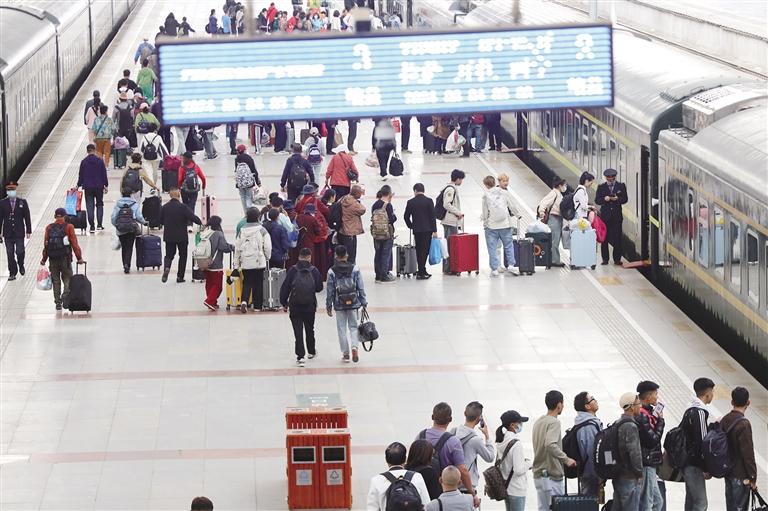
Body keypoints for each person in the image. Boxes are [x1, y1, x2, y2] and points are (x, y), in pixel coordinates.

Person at [417, 403, 480, 508]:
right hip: (441, 490)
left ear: (432, 417)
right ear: (450, 419)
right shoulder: (453, 441)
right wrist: (472, 493)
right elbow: (463, 470)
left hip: (422, 488)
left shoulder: (421, 436)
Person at [531, 390, 577, 511]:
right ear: (559, 405)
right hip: (551, 476)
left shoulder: (538, 422)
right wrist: (566, 459)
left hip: (539, 475)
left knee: (543, 508)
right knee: (556, 508)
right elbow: (550, 444)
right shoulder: (554, 422)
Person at [280, 247, 323, 367]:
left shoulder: (292, 270)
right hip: (310, 306)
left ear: (299, 257)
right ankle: (311, 351)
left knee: (297, 331)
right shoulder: (314, 270)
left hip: (295, 306)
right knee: (310, 328)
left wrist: (284, 303)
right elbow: (319, 288)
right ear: (309, 257)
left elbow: (285, 287)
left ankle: (300, 356)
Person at [326, 245, 366, 363]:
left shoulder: (331, 271)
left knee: (341, 328)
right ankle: (354, 347)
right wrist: (363, 301)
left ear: (336, 256)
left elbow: (330, 290)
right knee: (353, 326)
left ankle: (345, 353)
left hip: (339, 303)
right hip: (353, 302)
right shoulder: (355, 269)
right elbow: (360, 287)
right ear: (346, 255)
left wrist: (329, 305)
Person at [681, 377, 715, 511]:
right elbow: (702, 442)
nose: (713, 395)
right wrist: (706, 467)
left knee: (691, 501)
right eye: (712, 392)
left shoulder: (689, 409)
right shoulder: (700, 412)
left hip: (686, 462)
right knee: (701, 503)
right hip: (694, 465)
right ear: (707, 393)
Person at [366, 442, 430, 511]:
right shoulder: (417, 477)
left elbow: (372, 508)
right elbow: (426, 504)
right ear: (405, 459)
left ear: (386, 460)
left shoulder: (377, 480)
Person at [722, 386, 757, 511]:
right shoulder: (744, 424)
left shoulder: (725, 419)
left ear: (732, 402)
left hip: (728, 472)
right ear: (748, 402)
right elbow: (748, 454)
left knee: (730, 507)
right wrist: (752, 477)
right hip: (741, 475)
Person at [41, 208, 84, 310]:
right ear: (65, 216)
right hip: (65, 258)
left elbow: (46, 246)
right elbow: (74, 244)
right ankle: (65, 295)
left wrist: (43, 259)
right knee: (67, 278)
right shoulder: (69, 227)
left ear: (55, 216)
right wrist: (79, 258)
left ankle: (58, 303)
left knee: (56, 280)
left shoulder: (49, 227)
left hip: (53, 258)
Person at [450, 401, 495, 495]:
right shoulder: (476, 440)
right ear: (479, 419)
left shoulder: (453, 432)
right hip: (467, 487)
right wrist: (487, 436)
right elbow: (490, 457)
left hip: (451, 483)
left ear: (464, 413)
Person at [160, 188, 202, 283]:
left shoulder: (165, 207)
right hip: (182, 236)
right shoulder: (183, 207)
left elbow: (160, 221)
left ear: (170, 196)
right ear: (179, 196)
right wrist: (200, 222)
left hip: (169, 236)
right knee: (183, 256)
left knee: (169, 255)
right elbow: (193, 217)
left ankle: (167, 267)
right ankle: (180, 277)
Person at [234, 208, 271, 313]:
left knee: (247, 282)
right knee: (258, 283)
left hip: (246, 261)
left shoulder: (242, 231)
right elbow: (268, 246)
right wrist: (267, 257)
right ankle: (257, 306)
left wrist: (237, 264)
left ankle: (244, 301)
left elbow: (237, 248)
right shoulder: (262, 230)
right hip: (258, 261)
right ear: (258, 217)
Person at [481, 175, 519, 276]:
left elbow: (485, 212)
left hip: (491, 227)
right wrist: (518, 215)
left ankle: (494, 269)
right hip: (505, 225)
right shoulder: (504, 193)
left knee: (492, 248)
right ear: (495, 182)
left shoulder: (485, 195)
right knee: (508, 245)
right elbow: (512, 206)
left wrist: (485, 222)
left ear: (486, 185)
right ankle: (511, 265)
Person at [636, 381, 665, 511]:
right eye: (655, 394)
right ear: (648, 397)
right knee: (647, 502)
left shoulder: (647, 412)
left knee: (657, 502)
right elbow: (652, 440)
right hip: (646, 463)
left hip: (650, 462)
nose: (657, 397)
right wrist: (661, 421)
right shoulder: (642, 415)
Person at [495, 410, 532, 511]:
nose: (521, 424)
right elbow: (518, 470)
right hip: (516, 489)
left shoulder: (501, 440)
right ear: (512, 425)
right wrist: (528, 464)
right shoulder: (516, 444)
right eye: (519, 422)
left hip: (506, 488)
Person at [613, 392, 644, 511]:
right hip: (629, 476)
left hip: (618, 474)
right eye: (638, 404)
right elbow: (635, 453)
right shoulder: (630, 426)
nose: (640, 406)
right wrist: (639, 473)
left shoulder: (618, 422)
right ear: (631, 407)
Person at [403, 183, 438, 280]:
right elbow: (432, 216)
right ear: (423, 190)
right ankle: (421, 271)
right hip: (427, 230)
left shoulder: (411, 202)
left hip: (417, 230)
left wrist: (411, 226)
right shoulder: (429, 201)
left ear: (415, 191)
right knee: (425, 250)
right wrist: (434, 230)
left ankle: (422, 269)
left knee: (419, 250)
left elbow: (406, 217)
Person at [572, 391, 603, 497]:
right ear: (587, 406)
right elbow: (591, 452)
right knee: (589, 501)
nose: (596, 400)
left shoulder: (589, 422)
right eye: (592, 399)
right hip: (590, 474)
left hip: (589, 473)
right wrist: (598, 475)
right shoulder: (588, 426)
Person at [200, 216, 234, 310]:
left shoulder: (206, 232)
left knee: (209, 284)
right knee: (217, 285)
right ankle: (209, 301)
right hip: (215, 264)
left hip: (204, 262)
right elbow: (224, 247)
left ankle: (212, 302)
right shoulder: (218, 234)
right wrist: (231, 247)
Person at [595, 168, 628, 265]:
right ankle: (605, 259)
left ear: (615, 177)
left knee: (617, 238)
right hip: (605, 217)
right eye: (608, 178)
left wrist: (617, 199)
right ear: (606, 178)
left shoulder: (621, 186)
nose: (610, 180)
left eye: (612, 178)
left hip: (617, 217)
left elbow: (625, 199)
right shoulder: (601, 187)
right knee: (604, 238)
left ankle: (617, 259)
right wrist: (604, 199)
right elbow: (597, 200)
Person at [0, 182, 32, 280]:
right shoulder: (2, 203)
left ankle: (21, 264)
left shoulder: (22, 202)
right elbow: (0, 219)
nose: (11, 192)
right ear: (7, 191)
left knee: (20, 251)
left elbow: (27, 216)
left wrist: (28, 230)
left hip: (19, 232)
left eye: (13, 190)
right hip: (8, 233)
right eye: (9, 190)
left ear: (16, 190)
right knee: (10, 254)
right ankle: (12, 272)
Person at [111, 189, 145, 273]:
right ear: (130, 194)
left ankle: (124, 264)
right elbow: (138, 216)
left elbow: (113, 217)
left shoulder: (118, 204)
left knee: (124, 247)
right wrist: (144, 222)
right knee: (129, 247)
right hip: (131, 229)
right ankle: (127, 264)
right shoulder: (134, 203)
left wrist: (117, 225)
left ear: (122, 194)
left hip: (121, 229)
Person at [77, 144, 109, 233]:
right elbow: (103, 174)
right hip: (99, 186)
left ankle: (92, 226)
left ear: (87, 151)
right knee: (99, 204)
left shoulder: (84, 162)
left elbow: (81, 175)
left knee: (89, 206)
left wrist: (78, 185)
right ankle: (99, 225)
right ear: (94, 150)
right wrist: (106, 185)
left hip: (88, 187)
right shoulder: (100, 161)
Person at [439, 170, 465, 274]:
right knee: (450, 245)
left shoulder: (449, 187)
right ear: (457, 179)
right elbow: (446, 204)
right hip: (450, 221)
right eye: (461, 179)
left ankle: (450, 267)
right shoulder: (450, 189)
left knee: (450, 244)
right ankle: (448, 268)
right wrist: (458, 212)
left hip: (450, 221)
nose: (462, 182)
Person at [537, 177, 567, 267]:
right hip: (554, 219)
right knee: (554, 240)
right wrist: (541, 212)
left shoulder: (558, 193)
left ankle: (553, 259)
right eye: (564, 185)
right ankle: (555, 260)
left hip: (557, 219)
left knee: (555, 240)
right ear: (559, 185)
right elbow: (543, 202)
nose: (565, 187)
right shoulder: (554, 193)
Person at [371, 185, 396, 283]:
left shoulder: (375, 205)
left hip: (376, 233)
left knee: (378, 253)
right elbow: (391, 219)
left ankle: (377, 275)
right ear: (389, 194)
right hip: (387, 233)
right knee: (385, 254)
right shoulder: (388, 205)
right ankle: (384, 275)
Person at [178, 152, 206, 220]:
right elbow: (203, 178)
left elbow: (180, 179)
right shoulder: (196, 167)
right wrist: (203, 187)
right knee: (192, 205)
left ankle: (186, 220)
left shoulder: (182, 168)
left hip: (184, 190)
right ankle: (190, 222)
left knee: (185, 205)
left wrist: (179, 187)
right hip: (194, 190)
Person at [234, 144, 261, 213]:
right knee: (248, 196)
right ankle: (249, 212)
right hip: (249, 181)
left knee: (242, 196)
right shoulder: (249, 158)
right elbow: (254, 170)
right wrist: (258, 182)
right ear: (244, 150)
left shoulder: (237, 159)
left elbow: (236, 170)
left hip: (240, 182)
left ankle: (246, 213)